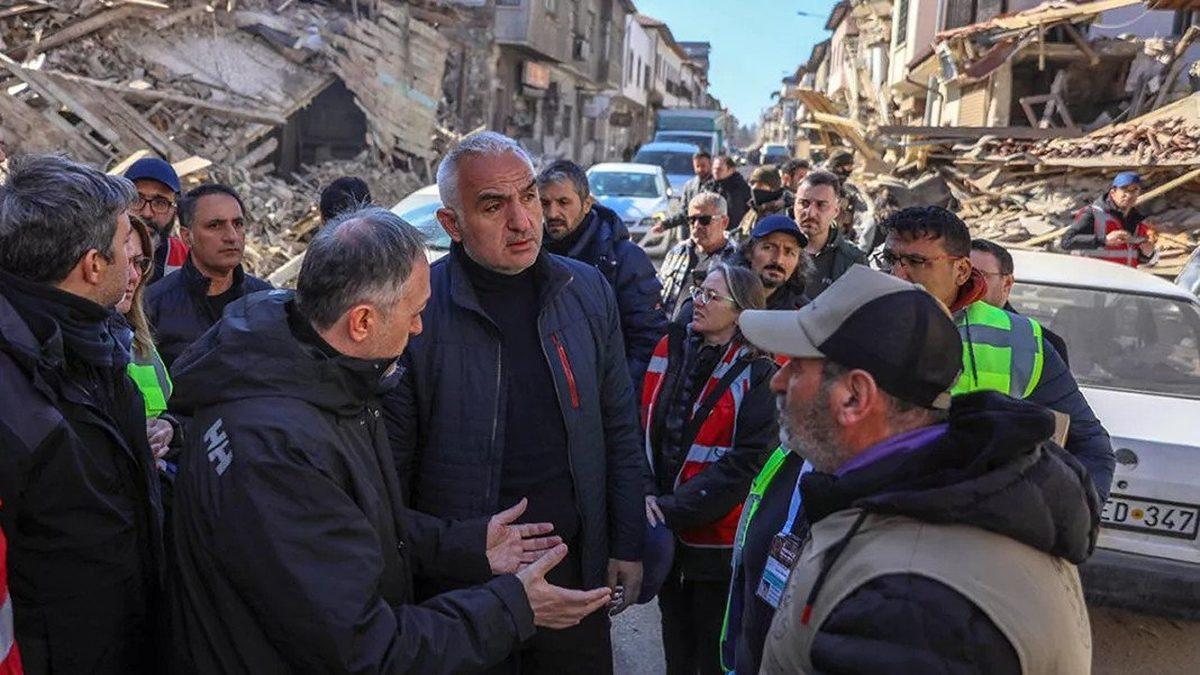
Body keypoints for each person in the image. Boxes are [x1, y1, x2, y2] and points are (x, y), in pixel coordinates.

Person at [169, 206, 610, 672]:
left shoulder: (319, 375)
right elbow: (363, 649)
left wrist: (463, 545)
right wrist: (512, 608)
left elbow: (348, 524)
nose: (419, 328)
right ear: (361, 322)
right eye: (414, 312)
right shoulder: (275, 446)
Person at [735, 266, 1097, 674]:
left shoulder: (909, 606)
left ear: (854, 397)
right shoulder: (926, 492)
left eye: (797, 367)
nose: (777, 381)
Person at [382, 132, 646, 674]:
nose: (524, 220)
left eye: (528, 196)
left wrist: (627, 542)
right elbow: (390, 476)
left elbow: (618, 425)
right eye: (493, 206)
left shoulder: (588, 291)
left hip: (576, 578)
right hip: (466, 595)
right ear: (452, 224)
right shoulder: (417, 312)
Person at [0, 155, 164, 673]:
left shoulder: (90, 345)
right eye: (122, 248)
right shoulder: (16, 392)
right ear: (93, 265)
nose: (132, 264)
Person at [880, 206, 1114, 500]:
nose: (897, 274)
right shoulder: (855, 320)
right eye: (890, 259)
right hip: (869, 523)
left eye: (916, 261)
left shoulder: (1022, 341)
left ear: (962, 270)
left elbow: (1090, 446)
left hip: (970, 528)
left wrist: (1068, 524)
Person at [641, 263, 778, 675]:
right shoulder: (670, 348)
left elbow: (746, 463)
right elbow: (641, 425)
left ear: (741, 313)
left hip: (716, 543)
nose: (698, 300)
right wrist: (648, 493)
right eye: (699, 291)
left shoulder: (759, 373)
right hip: (665, 529)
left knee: (712, 655)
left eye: (711, 296)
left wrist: (671, 507)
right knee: (676, 648)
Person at [537, 160, 667, 388]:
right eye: (544, 203)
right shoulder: (532, 256)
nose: (552, 212)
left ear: (587, 204)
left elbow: (648, 341)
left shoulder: (623, 259)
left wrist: (614, 395)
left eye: (563, 202)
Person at [146, 183, 272, 369]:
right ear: (187, 237)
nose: (231, 236)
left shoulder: (266, 301)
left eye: (237, 224)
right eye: (214, 226)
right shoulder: (153, 305)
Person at [117, 216, 179, 464]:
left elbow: (169, 408)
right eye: (124, 260)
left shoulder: (140, 341)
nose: (133, 275)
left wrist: (168, 427)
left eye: (140, 263)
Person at [970, 238, 1070, 365]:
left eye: (981, 275)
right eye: (964, 272)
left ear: (1006, 283)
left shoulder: (1043, 345)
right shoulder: (942, 329)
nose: (969, 281)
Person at [659, 193, 739, 320]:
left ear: (724, 222)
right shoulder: (677, 252)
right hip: (670, 334)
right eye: (692, 220)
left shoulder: (737, 259)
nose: (697, 225)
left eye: (704, 220)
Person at [794, 170, 866, 300]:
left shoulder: (852, 260)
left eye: (821, 205)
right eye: (804, 203)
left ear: (836, 211)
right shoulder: (774, 250)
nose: (810, 212)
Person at [1060, 171, 1157, 267]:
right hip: (1092, 279)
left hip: (1123, 280)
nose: (1129, 195)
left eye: (1134, 190)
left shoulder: (1138, 222)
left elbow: (1133, 257)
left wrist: (1148, 254)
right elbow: (1067, 242)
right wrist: (1105, 240)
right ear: (1113, 192)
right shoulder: (1092, 214)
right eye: (1124, 189)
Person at [124, 157, 190, 282]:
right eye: (136, 200)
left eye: (160, 203)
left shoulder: (183, 259)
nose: (147, 213)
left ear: (174, 210)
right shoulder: (96, 251)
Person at [732, 215, 809, 311]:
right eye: (768, 248)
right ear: (749, 252)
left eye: (789, 252)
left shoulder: (802, 313)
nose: (778, 260)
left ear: (798, 262)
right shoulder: (721, 294)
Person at [654, 150, 715, 233]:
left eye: (703, 166)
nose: (700, 169)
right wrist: (665, 225)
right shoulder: (689, 186)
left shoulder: (718, 185)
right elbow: (684, 213)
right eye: (697, 166)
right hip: (692, 233)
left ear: (710, 165)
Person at [823, 149, 869, 240]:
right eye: (848, 166)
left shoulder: (845, 186)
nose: (851, 169)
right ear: (838, 167)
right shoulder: (825, 183)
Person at [738, 166, 793, 236]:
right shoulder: (753, 211)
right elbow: (741, 234)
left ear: (774, 188)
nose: (755, 188)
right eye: (752, 184)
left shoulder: (786, 212)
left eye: (761, 185)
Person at [711, 155, 751, 229]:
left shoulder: (739, 188)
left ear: (731, 170)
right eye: (714, 169)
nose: (716, 172)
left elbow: (736, 215)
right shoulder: (710, 186)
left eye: (719, 169)